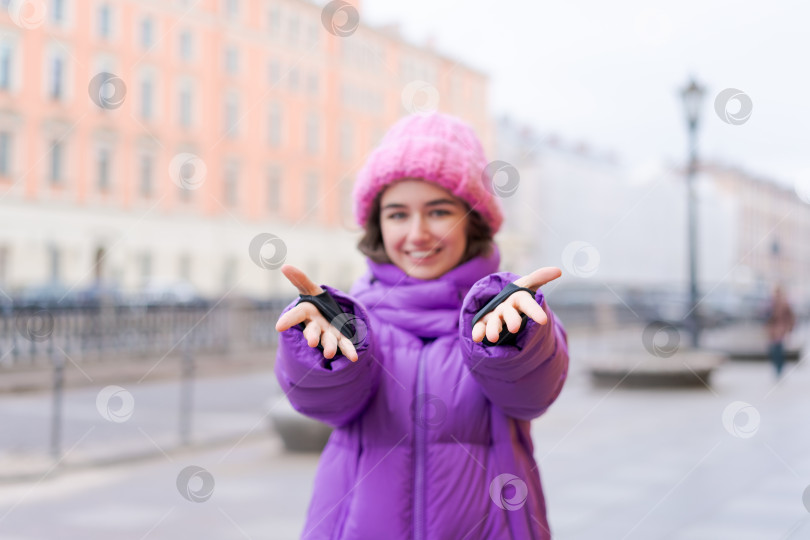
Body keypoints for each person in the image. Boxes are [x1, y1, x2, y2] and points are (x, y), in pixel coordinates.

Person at [274, 113, 569, 539]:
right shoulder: (351, 321)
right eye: (397, 214)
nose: (417, 233)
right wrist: (325, 356)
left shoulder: (510, 313)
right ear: (378, 225)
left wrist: (512, 344)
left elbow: (533, 395)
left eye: (439, 211)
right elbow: (326, 406)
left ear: (473, 221)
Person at [766, 284, 795, 377]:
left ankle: (780, 368)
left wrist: (789, 328)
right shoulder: (770, 303)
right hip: (772, 330)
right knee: (773, 350)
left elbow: (790, 317)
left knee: (778, 349)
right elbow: (765, 317)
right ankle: (776, 367)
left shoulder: (785, 303)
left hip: (781, 329)